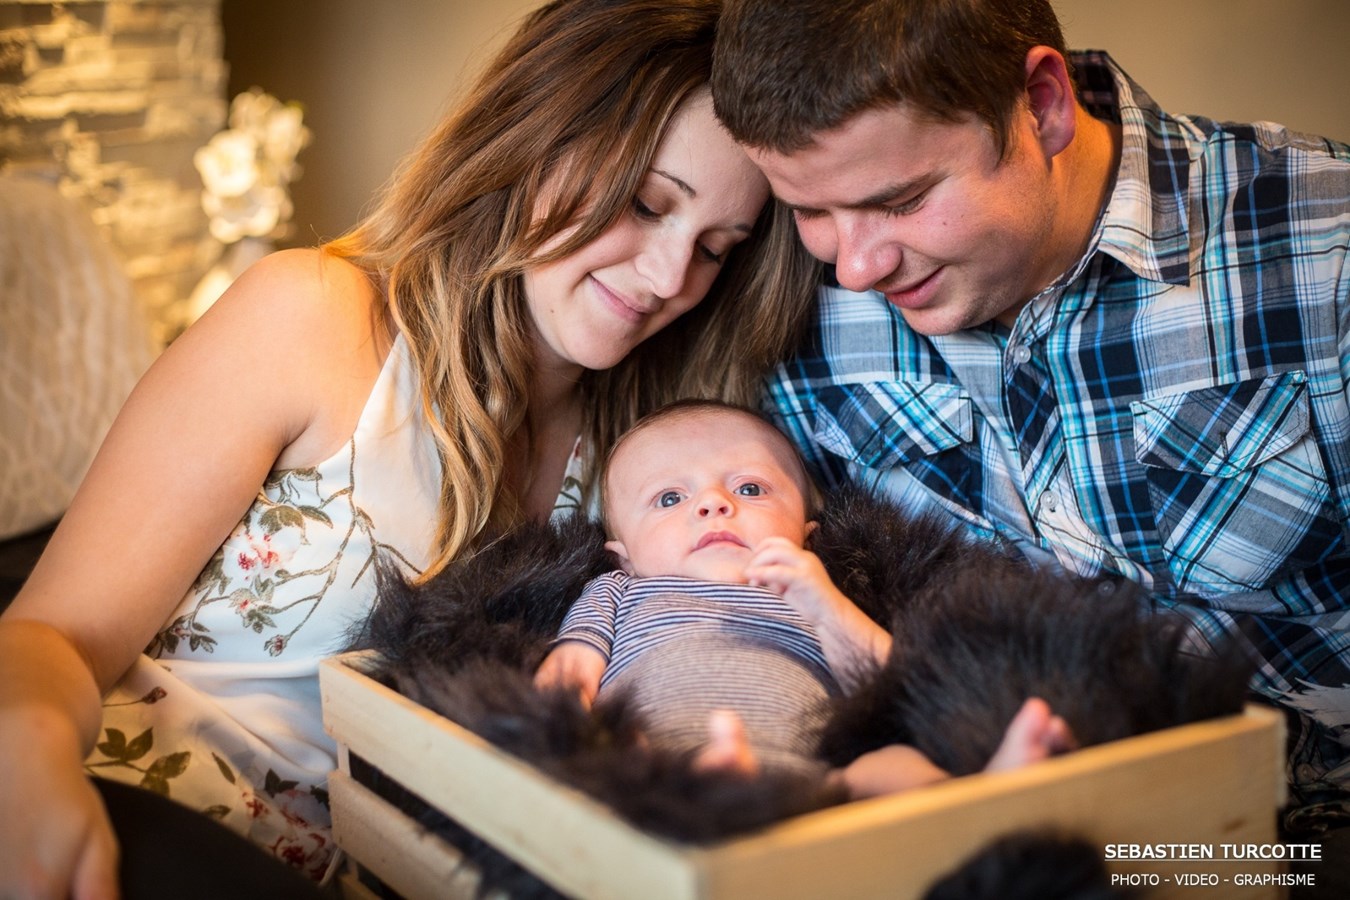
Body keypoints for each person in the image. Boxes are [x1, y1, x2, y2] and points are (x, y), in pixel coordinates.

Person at [0, 0, 821, 895]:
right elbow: (53, 634)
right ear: (535, 131)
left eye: (714, 247)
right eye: (645, 202)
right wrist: (28, 749)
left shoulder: (646, 461)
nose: (670, 278)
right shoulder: (312, 317)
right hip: (144, 831)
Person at [709, 0, 1350, 829]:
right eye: (813, 211)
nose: (858, 267)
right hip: (964, 823)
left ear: (1044, 104)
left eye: (900, 199)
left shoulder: (1324, 251)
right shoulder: (790, 296)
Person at [534, 399, 1075, 797]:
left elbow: (892, 682)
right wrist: (572, 730)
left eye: (749, 489)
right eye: (670, 497)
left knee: (896, 765)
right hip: (650, 762)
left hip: (811, 781)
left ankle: (989, 797)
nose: (714, 504)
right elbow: (570, 670)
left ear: (806, 533)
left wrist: (824, 605)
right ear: (622, 555)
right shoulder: (621, 590)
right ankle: (709, 789)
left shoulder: (812, 590)